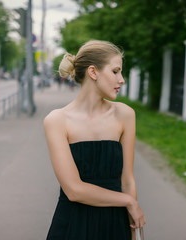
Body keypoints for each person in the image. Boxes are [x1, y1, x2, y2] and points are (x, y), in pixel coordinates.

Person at [43, 40, 146, 240]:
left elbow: (127, 180)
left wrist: (132, 232)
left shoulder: (125, 114)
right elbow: (74, 190)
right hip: (73, 225)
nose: (122, 79)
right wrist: (129, 202)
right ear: (93, 72)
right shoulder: (56, 121)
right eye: (115, 71)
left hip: (115, 225)